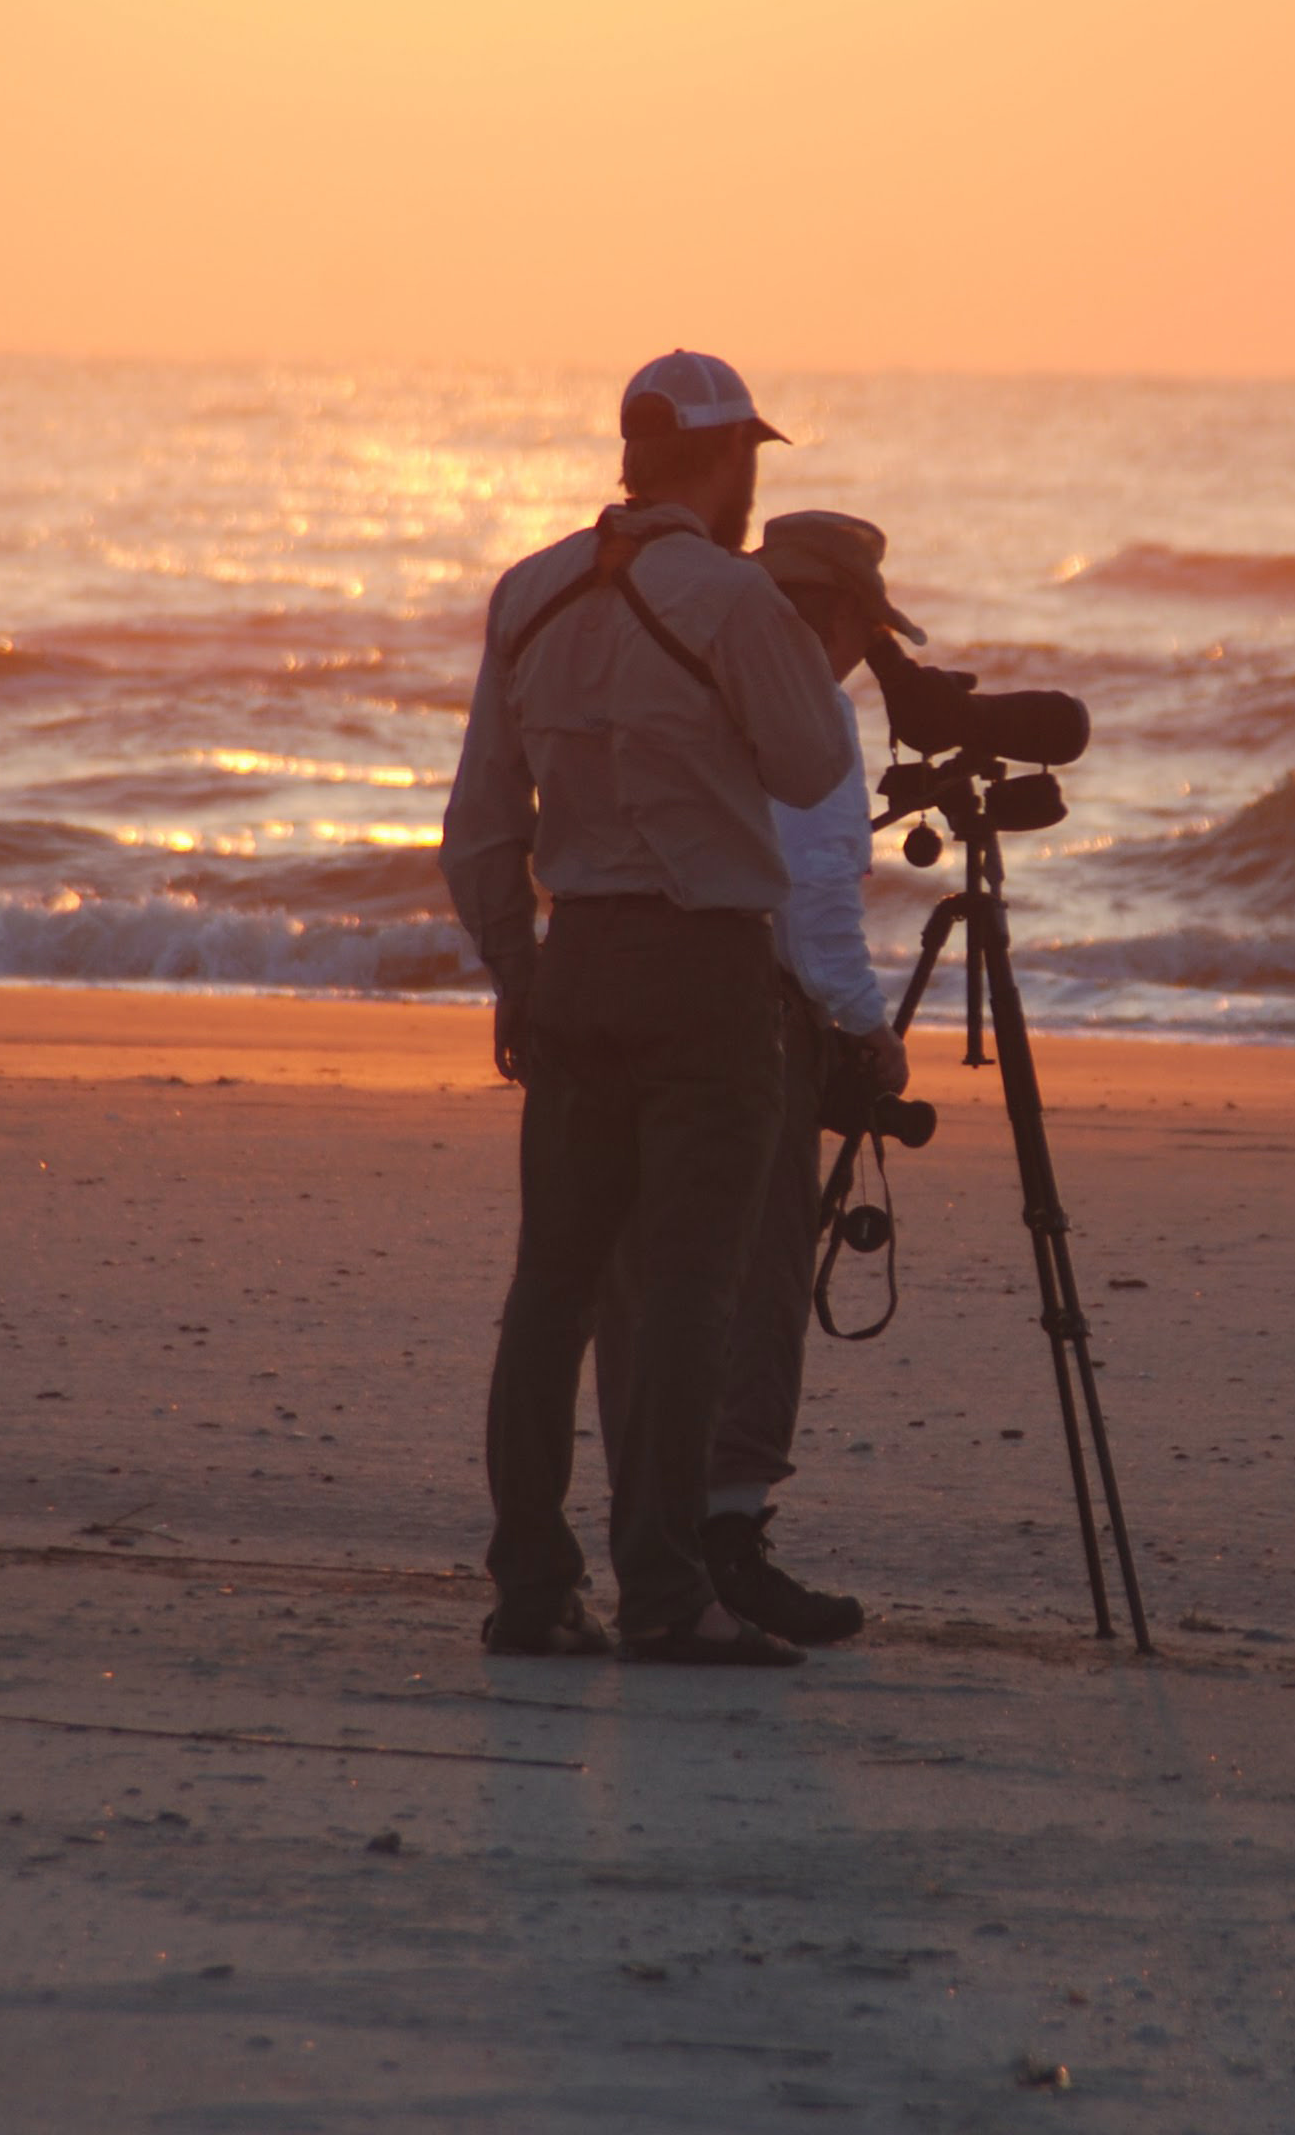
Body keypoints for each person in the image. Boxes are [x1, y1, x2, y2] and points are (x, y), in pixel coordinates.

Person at [439, 350, 855, 1667]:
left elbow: (480, 828)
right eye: (748, 463)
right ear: (726, 460)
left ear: (633, 453)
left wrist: (517, 971)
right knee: (689, 1289)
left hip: (575, 962)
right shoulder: (732, 599)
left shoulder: (530, 591)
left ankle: (530, 1586)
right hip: (704, 974)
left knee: (552, 1288)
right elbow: (809, 761)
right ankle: (668, 1594)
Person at [596, 510, 915, 1648]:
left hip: (621, 984)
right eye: (862, 634)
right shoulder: (806, 704)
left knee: (641, 1275)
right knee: (761, 1269)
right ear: (830, 617)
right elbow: (815, 893)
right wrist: (866, 1029)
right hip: (750, 1012)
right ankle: (729, 1533)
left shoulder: (669, 660)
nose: (858, 662)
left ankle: (653, 1530)